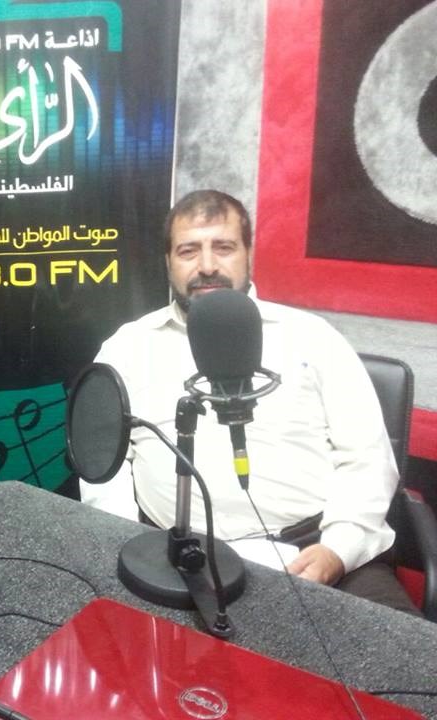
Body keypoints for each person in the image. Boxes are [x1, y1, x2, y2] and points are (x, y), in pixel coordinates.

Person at [81, 189, 419, 613]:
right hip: (173, 557)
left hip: (316, 552)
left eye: (223, 247)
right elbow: (105, 469)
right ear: (168, 262)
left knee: (401, 652)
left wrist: (339, 549)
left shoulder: (313, 337)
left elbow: (367, 460)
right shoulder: (127, 347)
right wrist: (131, 545)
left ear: (249, 254)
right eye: (188, 251)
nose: (207, 266)